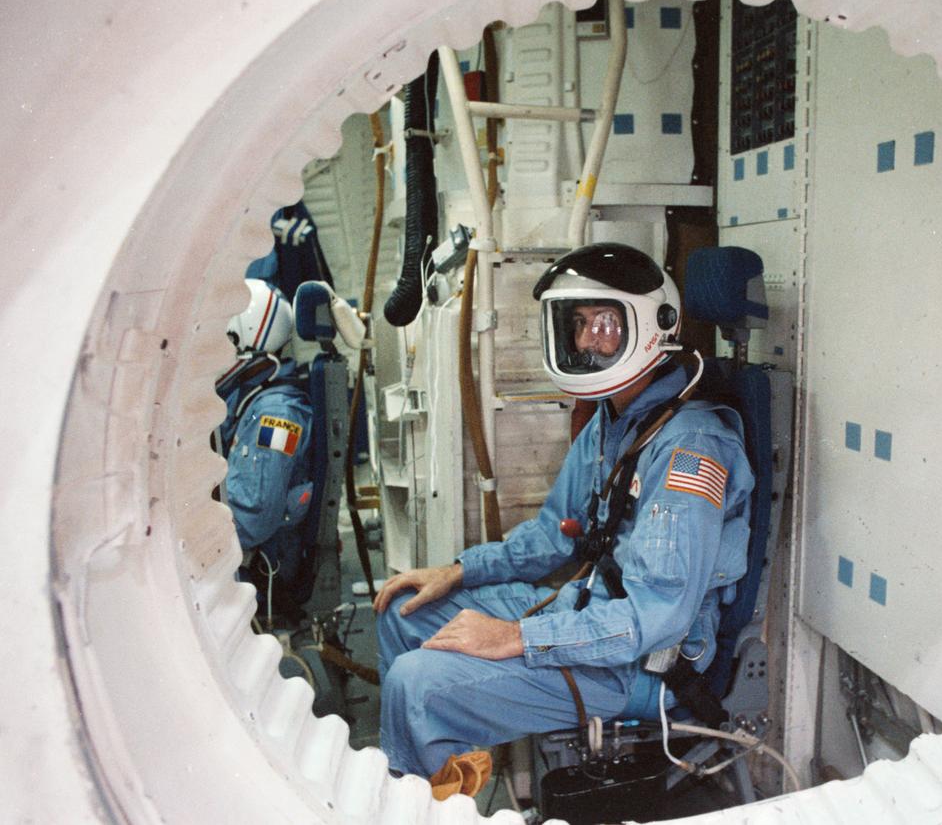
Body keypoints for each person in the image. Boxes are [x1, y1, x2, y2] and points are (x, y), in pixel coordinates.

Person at [375, 243, 753, 780]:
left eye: (603, 323)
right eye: (578, 324)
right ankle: (439, 775)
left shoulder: (690, 449)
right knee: (403, 609)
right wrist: (459, 571)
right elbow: (557, 534)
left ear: (652, 326)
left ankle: (421, 786)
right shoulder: (612, 422)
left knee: (417, 683)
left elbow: (657, 616)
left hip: (638, 664)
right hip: (586, 613)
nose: (584, 341)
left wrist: (514, 638)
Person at [216, 278, 315, 624]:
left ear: (244, 337)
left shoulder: (275, 417)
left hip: (260, 567)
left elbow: (251, 517)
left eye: (223, 339)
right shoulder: (253, 402)